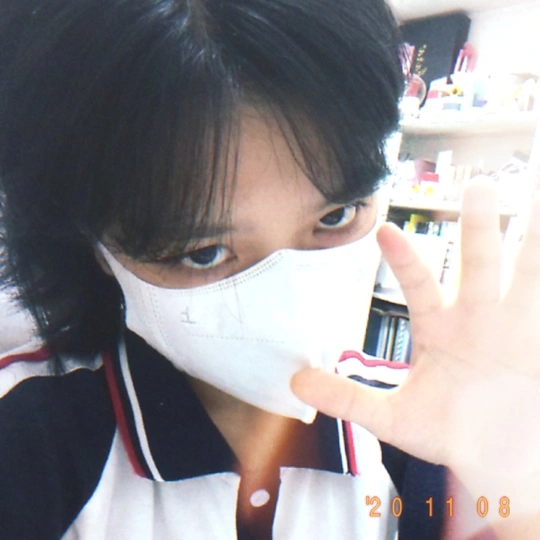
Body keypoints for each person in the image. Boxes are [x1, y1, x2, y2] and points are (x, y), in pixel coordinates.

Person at [0, 1, 539, 539]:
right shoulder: (27, 435)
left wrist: (514, 492)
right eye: (204, 252)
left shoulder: (427, 429)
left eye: (335, 216)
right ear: (95, 244)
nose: (290, 303)